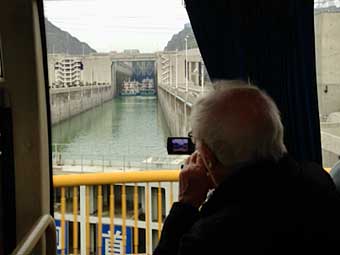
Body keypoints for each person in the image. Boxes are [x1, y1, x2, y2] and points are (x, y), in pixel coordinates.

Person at [153, 80, 340, 255]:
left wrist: (186, 204)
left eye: (195, 140)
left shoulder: (212, 237)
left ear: (208, 158)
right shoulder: (318, 179)